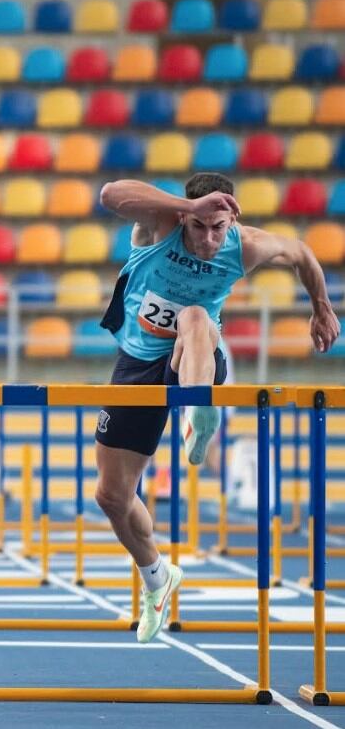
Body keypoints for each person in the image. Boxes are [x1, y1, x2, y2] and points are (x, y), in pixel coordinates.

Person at [95, 172, 340, 644]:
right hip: (138, 360)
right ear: (184, 217)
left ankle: (198, 412)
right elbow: (109, 194)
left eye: (218, 228)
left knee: (195, 316)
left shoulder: (243, 245)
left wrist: (322, 306)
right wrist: (188, 206)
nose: (209, 239)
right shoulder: (159, 225)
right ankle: (157, 578)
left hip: (201, 355)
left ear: (232, 220)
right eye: (200, 227)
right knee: (112, 497)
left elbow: (301, 253)